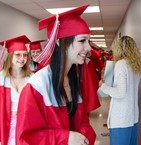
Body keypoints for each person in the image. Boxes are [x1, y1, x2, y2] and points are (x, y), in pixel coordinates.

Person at [16, 4, 100, 145]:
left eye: (88, 41)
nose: (88, 47)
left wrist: (83, 135)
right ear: (59, 41)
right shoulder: (36, 86)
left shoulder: (75, 78)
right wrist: (65, 138)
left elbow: (82, 120)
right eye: (82, 41)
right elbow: (27, 136)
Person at [0, 35, 32, 145]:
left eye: (25, 55)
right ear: (10, 56)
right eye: (18, 54)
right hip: (6, 126)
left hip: (27, 126)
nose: (22, 58)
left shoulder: (32, 78)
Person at [99, 36, 141, 145]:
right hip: (133, 116)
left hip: (121, 118)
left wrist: (103, 85)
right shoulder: (136, 66)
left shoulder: (121, 64)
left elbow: (120, 92)